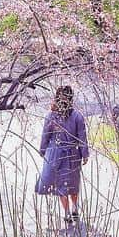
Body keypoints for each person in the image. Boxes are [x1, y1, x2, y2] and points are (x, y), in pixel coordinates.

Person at [35, 85, 89, 224]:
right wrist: (84, 154)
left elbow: (45, 136)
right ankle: (74, 208)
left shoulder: (51, 115)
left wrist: (42, 150)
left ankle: (66, 213)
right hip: (72, 154)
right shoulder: (77, 116)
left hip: (55, 154)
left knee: (61, 184)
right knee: (72, 183)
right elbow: (82, 137)